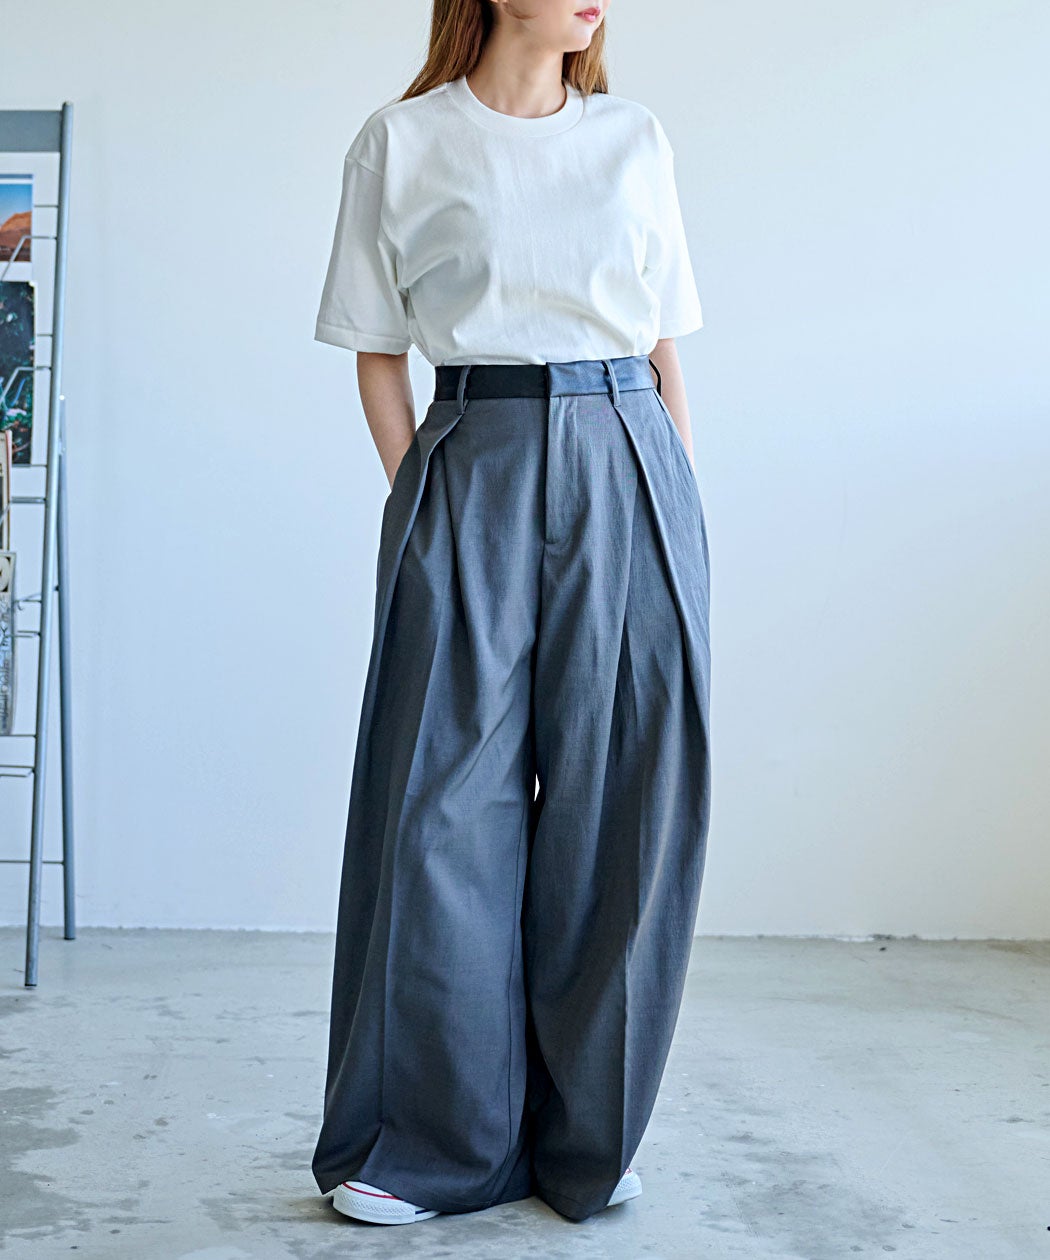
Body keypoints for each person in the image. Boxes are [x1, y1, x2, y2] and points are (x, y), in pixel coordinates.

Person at [310, 0, 712, 1228]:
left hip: (627, 456)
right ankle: (433, 1146)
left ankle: (589, 1138)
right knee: (441, 810)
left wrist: (676, 501)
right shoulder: (401, 140)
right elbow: (378, 349)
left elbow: (660, 341)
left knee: (620, 804)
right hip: (472, 451)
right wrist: (421, 499)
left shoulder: (634, 138)